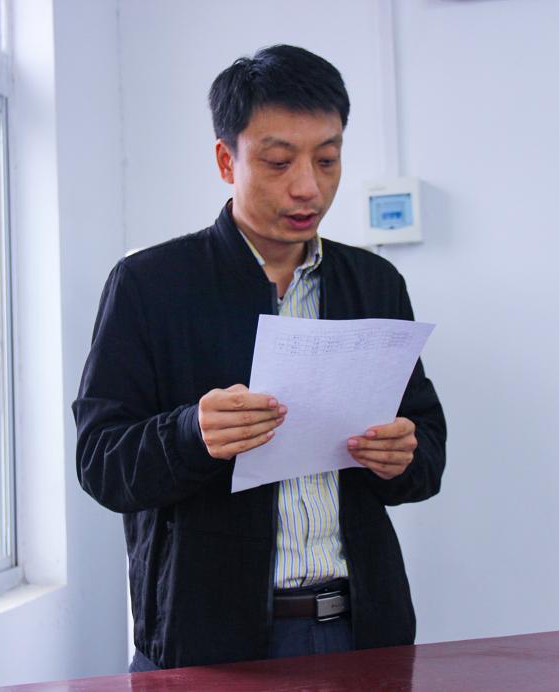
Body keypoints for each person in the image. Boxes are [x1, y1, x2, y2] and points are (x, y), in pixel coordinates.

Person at [72, 44, 446, 672]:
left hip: (362, 630)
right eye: (278, 162)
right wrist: (191, 433)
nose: (308, 187)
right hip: (206, 641)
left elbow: (428, 449)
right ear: (227, 160)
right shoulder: (149, 285)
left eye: (327, 160)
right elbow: (100, 461)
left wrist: (402, 455)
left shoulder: (374, 284)